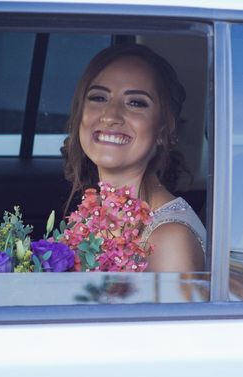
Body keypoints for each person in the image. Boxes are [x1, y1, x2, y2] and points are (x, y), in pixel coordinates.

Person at [62, 44, 206, 272]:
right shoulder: (91, 217)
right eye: (98, 97)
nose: (110, 116)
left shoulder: (169, 239)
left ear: (163, 128)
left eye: (136, 102)